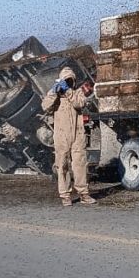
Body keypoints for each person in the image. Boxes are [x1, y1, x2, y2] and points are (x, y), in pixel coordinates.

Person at [41, 66, 96, 207]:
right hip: (61, 134)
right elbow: (45, 106)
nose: (68, 83)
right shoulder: (55, 96)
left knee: (80, 163)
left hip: (77, 133)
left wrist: (69, 91)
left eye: (70, 80)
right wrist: (54, 92)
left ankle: (83, 193)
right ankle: (65, 195)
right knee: (62, 164)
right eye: (66, 81)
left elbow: (80, 103)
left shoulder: (78, 93)